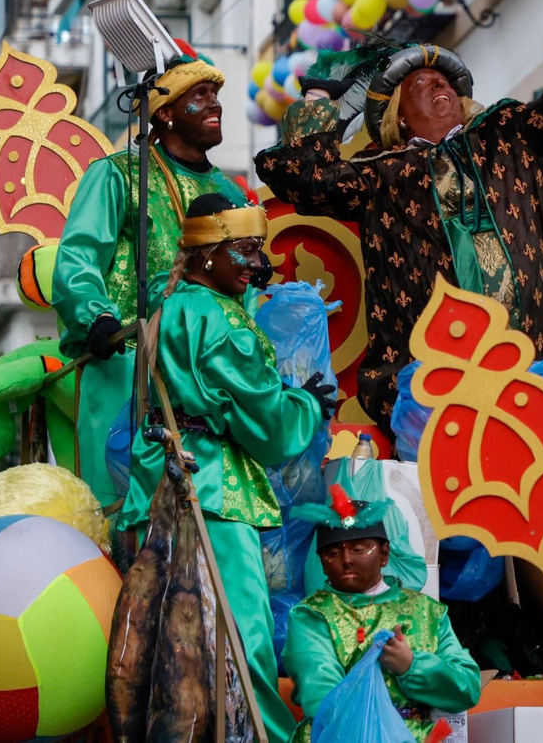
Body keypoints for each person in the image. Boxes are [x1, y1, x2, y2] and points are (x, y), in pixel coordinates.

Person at [255, 0, 543, 435]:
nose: (440, 87)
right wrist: (319, 94)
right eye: (422, 83)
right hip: (436, 389)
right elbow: (303, 176)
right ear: (397, 116)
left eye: (446, 82)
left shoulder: (510, 133)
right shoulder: (380, 173)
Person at [125, 193, 336, 743]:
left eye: (258, 250)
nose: (257, 264)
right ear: (208, 253)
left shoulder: (170, 305)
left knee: (173, 643)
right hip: (212, 487)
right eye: (245, 250)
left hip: (161, 482)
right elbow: (266, 422)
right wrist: (307, 404)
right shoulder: (217, 318)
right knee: (244, 636)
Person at [53, 48, 248, 510]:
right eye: (200, 94)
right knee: (119, 514)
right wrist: (96, 318)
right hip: (126, 365)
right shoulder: (117, 174)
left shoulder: (232, 194)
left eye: (216, 93)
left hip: (208, 380)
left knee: (205, 514)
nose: (215, 103)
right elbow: (78, 257)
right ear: (164, 112)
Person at [283, 488, 481, 743]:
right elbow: (324, 697)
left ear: (384, 554)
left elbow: (467, 686)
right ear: (322, 563)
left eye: (358, 549)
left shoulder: (427, 612)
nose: (346, 560)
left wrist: (411, 666)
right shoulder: (311, 615)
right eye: (333, 554)